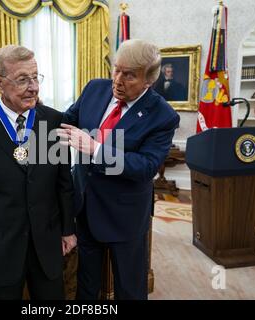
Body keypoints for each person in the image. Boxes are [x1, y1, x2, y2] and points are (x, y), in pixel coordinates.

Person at [58, 39, 180, 300]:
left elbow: (146, 166)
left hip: (124, 217)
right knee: (86, 284)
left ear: (149, 80)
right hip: (85, 207)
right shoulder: (94, 89)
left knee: (129, 287)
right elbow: (64, 121)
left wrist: (96, 149)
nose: (117, 80)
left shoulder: (163, 115)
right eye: (116, 70)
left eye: (129, 75)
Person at [0, 45, 77, 300]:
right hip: (0, 249)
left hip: (48, 244)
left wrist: (67, 229)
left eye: (36, 77)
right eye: (23, 79)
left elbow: (63, 184)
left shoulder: (55, 121)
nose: (33, 87)